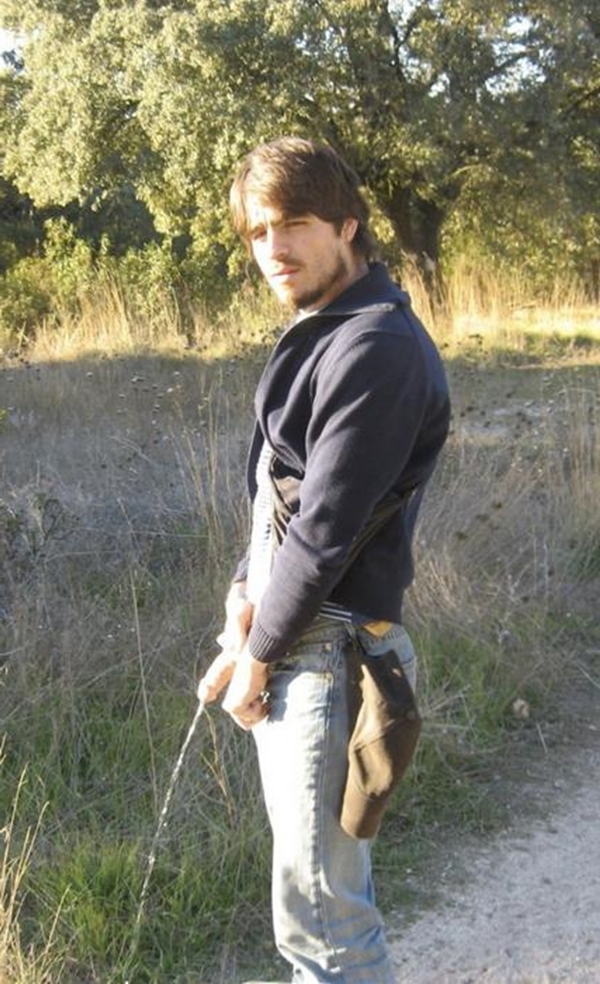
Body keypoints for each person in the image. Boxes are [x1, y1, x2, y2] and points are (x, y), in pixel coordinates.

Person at [197, 137, 450, 984]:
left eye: (294, 222)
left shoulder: (377, 346)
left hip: (330, 659)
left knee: (326, 931)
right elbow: (281, 491)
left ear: (348, 225)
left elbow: (328, 530)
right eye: (258, 231)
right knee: (316, 916)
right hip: (298, 648)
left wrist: (259, 654)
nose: (273, 247)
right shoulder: (327, 329)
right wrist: (242, 608)